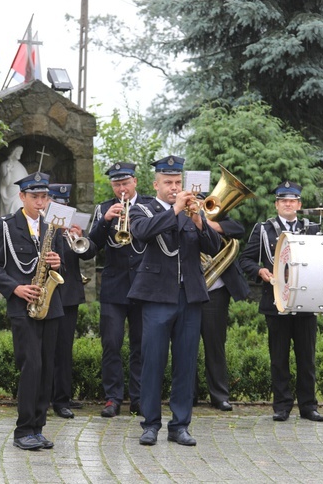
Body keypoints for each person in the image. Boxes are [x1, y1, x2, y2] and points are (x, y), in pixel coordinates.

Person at [127, 155, 221, 447]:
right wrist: (177, 209)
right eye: (168, 182)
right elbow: (142, 233)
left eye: (177, 182)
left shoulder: (193, 210)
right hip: (157, 296)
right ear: (155, 184)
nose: (174, 187)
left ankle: (180, 425)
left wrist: (198, 220)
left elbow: (214, 247)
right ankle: (150, 424)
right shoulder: (142, 208)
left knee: (185, 363)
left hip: (189, 295)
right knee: (152, 361)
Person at [0, 172, 64, 451]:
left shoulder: (53, 226)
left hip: (49, 305)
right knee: (32, 366)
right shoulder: (4, 226)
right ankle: (23, 430)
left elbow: (61, 262)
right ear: (22, 197)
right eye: (35, 197)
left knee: (46, 368)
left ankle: (38, 428)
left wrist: (57, 261)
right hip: (23, 306)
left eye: (44, 197)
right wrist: (16, 288)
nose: (41, 202)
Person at [238, 181, 323, 423]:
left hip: (306, 301)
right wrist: (260, 271)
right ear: (276, 204)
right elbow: (246, 259)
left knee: (307, 358)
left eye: (293, 200)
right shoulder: (264, 229)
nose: (288, 204)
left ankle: (309, 406)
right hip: (277, 301)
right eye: (283, 200)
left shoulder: (312, 228)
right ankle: (282, 406)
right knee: (279, 358)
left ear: (299, 204)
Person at [87, 162, 153, 417]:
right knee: (111, 344)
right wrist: (105, 221)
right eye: (116, 184)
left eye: (125, 183)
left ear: (135, 182)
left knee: (141, 344)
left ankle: (137, 398)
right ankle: (112, 398)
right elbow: (91, 247)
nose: (121, 188)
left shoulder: (148, 206)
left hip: (143, 286)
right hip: (114, 288)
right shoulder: (103, 208)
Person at [47, 183, 96, 419]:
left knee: (64, 349)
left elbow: (89, 252)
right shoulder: (40, 226)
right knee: (45, 348)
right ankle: (43, 395)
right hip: (46, 293)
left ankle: (62, 399)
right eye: (57, 204)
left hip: (68, 296)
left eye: (65, 205)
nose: (62, 208)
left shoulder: (72, 228)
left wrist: (80, 237)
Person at [196, 214, 250, 411]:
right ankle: (189, 394)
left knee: (215, 345)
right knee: (185, 345)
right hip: (187, 290)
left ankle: (219, 396)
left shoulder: (218, 217)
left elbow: (239, 228)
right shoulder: (178, 216)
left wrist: (207, 223)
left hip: (215, 292)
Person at [0, 144, 28, 216]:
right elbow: (6, 182)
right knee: (12, 212)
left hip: (20, 192)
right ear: (13, 152)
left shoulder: (21, 166)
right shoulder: (5, 165)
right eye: (18, 152)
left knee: (20, 209)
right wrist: (8, 171)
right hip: (11, 192)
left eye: (20, 152)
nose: (19, 154)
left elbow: (27, 180)